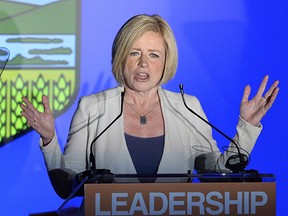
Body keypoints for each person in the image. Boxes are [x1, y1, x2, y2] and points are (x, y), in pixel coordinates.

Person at [20, 14, 279, 198]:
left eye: (154, 55)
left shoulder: (187, 107)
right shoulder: (93, 108)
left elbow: (214, 175)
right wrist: (50, 139)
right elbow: (67, 187)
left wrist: (247, 128)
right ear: (121, 58)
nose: (143, 63)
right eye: (134, 52)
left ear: (166, 62)